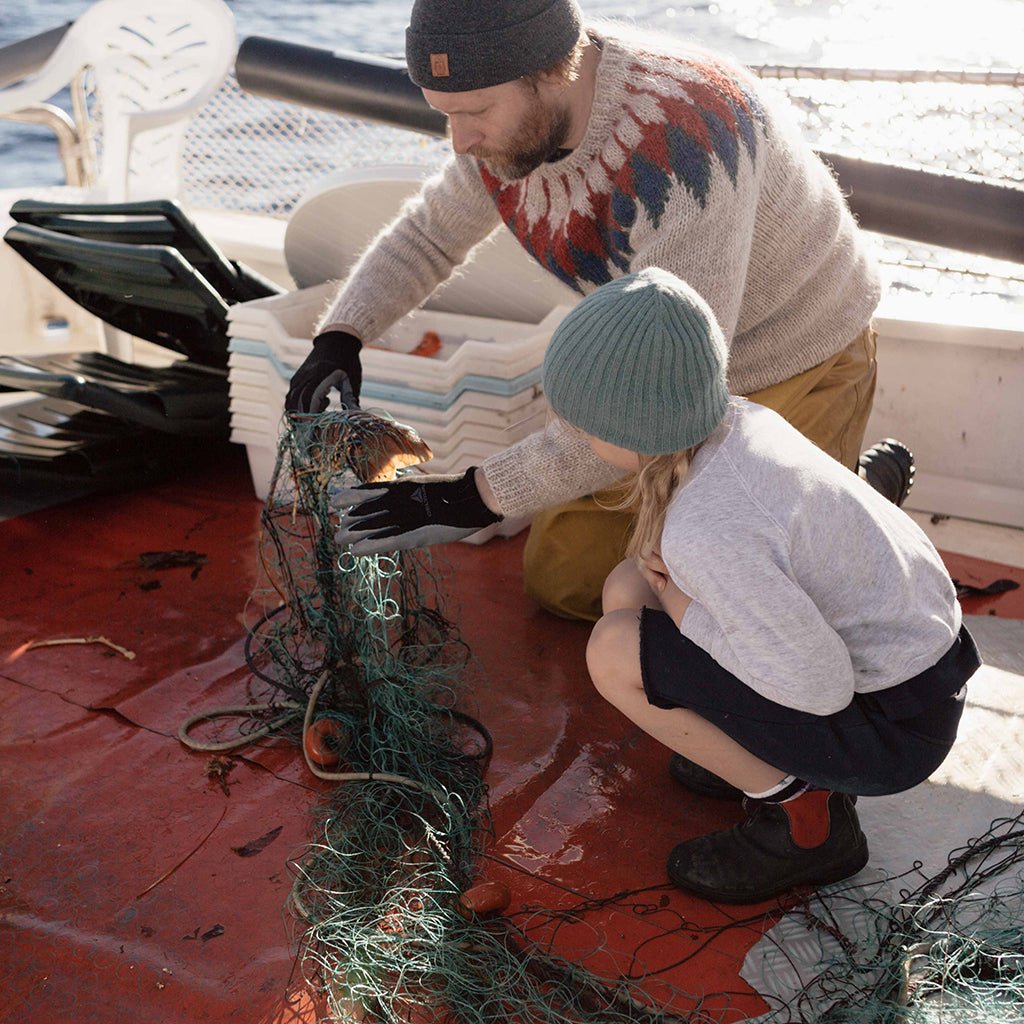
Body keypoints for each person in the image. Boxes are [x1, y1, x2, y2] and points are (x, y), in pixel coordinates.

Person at [335, 269, 980, 902]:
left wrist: (682, 600)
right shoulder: (738, 420)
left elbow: (816, 685)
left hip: (893, 729)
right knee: (626, 585)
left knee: (615, 650)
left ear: (629, 432)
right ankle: (752, 749)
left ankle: (806, 821)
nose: (575, 439)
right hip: (913, 674)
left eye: (581, 427)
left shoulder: (707, 528)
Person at [288, 0, 914, 621]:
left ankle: (853, 492)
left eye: (476, 112)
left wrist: (468, 499)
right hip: (658, 365)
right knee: (564, 580)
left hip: (795, 353)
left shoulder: (688, 139)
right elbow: (428, 237)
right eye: (446, 113)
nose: (460, 140)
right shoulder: (509, 129)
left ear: (552, 70)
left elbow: (663, 391)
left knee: (754, 595)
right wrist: (340, 337)